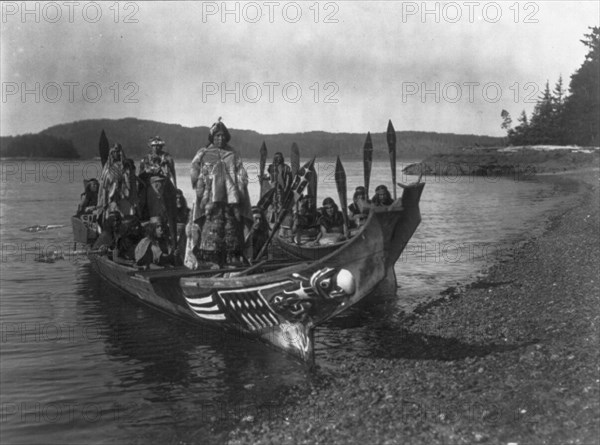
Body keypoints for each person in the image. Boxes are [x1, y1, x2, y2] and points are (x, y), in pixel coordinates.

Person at [190, 118, 252, 267]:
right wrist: (201, 183)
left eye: (223, 135)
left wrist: (240, 187)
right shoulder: (203, 153)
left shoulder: (232, 153)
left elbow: (240, 172)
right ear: (212, 137)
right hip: (210, 201)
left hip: (231, 201)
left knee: (231, 229)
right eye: (217, 135)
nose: (220, 138)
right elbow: (194, 170)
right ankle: (211, 263)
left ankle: (230, 262)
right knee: (211, 228)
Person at [265, 152, 292, 223]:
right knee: (273, 203)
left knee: (281, 202)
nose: (278, 159)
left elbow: (288, 179)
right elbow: (271, 177)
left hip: (282, 188)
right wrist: (265, 179)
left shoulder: (286, 167)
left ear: (282, 158)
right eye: (277, 157)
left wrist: (286, 188)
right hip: (273, 187)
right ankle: (273, 218)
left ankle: (281, 219)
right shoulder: (271, 167)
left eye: (280, 157)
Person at [175, 189, 190, 263]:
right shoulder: (168, 212)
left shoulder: (187, 212)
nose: (178, 200)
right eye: (176, 198)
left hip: (183, 237)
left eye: (180, 198)